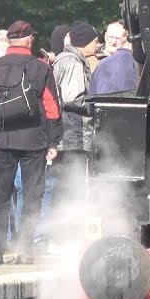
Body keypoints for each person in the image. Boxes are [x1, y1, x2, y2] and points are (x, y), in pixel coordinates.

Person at [0, 21, 61, 264]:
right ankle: (25, 250)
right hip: (34, 141)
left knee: (1, 198)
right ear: (29, 39)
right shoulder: (40, 68)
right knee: (33, 196)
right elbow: (52, 108)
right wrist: (53, 140)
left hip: (3, 141)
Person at [51, 21, 98, 223]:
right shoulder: (72, 63)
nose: (97, 46)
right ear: (84, 43)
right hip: (73, 132)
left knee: (63, 182)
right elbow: (72, 98)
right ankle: (67, 227)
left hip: (65, 131)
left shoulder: (63, 60)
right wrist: (95, 107)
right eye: (95, 42)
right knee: (72, 183)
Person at [91, 20, 137, 94]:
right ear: (105, 36)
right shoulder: (92, 60)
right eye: (111, 37)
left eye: (117, 38)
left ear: (126, 39)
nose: (113, 42)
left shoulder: (133, 61)